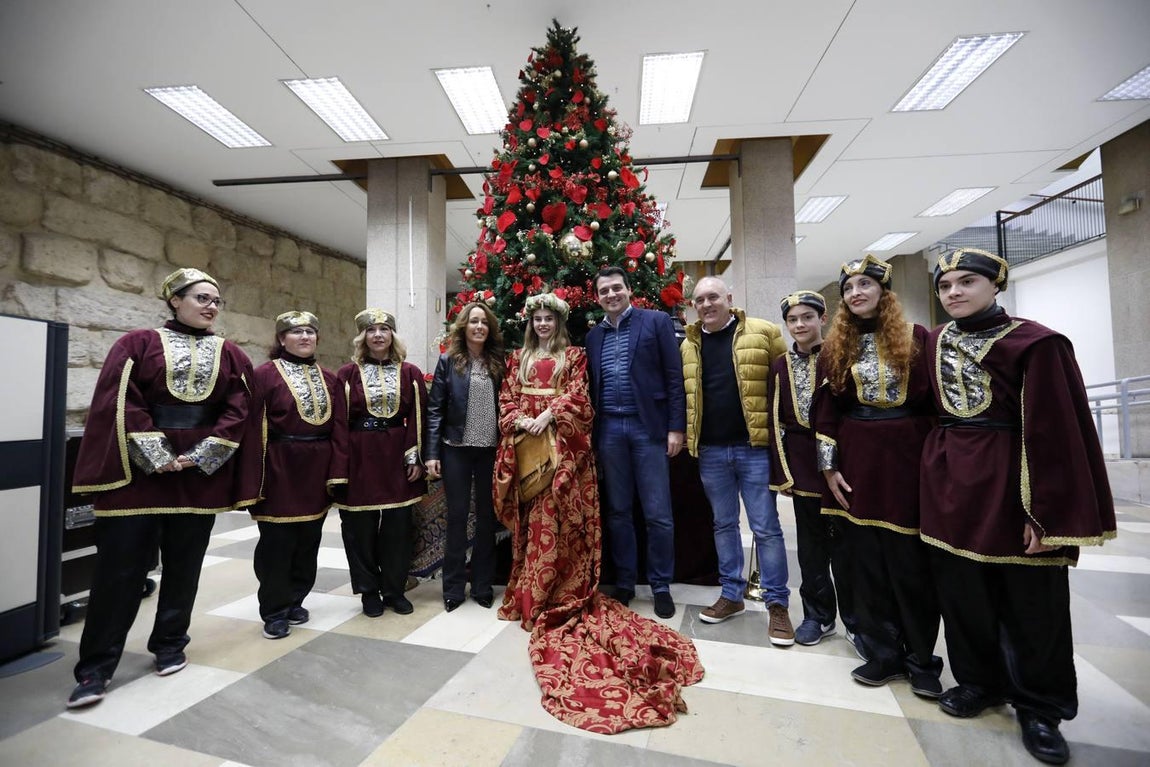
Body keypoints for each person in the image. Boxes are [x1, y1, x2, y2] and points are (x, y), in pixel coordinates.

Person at [922, 248, 1116, 765]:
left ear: (995, 285)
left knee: (1032, 603)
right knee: (962, 593)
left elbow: (1056, 434)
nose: (955, 293)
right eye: (945, 287)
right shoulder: (937, 341)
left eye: (967, 282)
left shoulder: (1037, 343)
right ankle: (979, 682)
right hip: (950, 484)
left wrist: (1048, 516)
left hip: (1014, 483)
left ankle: (1040, 706)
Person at [493, 292, 702, 734]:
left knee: (561, 524)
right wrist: (519, 422)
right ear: (531, 322)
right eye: (538, 318)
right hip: (526, 450)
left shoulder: (575, 354)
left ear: (559, 321)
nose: (544, 324)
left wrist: (548, 415)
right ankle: (532, 594)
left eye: (550, 318)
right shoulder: (518, 357)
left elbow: (579, 399)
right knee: (533, 528)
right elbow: (507, 398)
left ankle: (566, 587)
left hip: (562, 451)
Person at [67, 267, 259, 708]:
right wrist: (156, 454)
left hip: (198, 478)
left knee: (184, 568)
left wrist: (202, 454)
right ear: (175, 300)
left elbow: (239, 407)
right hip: (138, 480)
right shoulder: (136, 344)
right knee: (119, 574)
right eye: (201, 298)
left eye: (216, 300)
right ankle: (95, 669)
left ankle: (170, 644)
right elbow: (120, 399)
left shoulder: (231, 355)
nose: (211, 306)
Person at [812, 254, 942, 696]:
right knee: (865, 562)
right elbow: (826, 413)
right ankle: (882, 652)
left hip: (907, 457)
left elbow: (934, 405)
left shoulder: (916, 337)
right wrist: (829, 468)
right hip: (858, 458)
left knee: (911, 565)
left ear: (883, 292)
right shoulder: (835, 348)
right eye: (848, 289)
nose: (856, 293)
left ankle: (922, 657)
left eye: (865, 285)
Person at [680, 276, 794, 646]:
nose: (706, 304)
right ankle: (732, 595)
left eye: (713, 297)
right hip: (711, 450)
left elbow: (784, 386)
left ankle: (777, 605)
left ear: (729, 298)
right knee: (723, 524)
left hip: (753, 448)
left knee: (766, 527)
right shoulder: (689, 344)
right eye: (699, 300)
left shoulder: (763, 332)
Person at [584, 266, 685, 619]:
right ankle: (625, 582)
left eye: (616, 288)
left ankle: (660, 585)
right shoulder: (593, 336)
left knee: (658, 513)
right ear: (597, 297)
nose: (610, 295)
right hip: (609, 430)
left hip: (648, 429)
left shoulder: (655, 322)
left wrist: (676, 428)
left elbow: (674, 377)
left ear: (629, 290)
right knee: (618, 511)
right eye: (604, 291)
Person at [768, 291, 858, 648]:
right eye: (793, 320)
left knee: (847, 547)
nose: (800, 325)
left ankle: (855, 619)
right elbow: (775, 421)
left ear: (823, 319)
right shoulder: (779, 365)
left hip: (841, 466)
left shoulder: (842, 357)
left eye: (807, 317)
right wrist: (782, 473)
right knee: (810, 548)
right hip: (802, 464)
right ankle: (818, 616)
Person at [249, 311, 343, 640]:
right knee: (277, 542)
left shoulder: (330, 379)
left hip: (316, 467)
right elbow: (251, 427)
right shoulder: (264, 376)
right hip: (279, 467)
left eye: (310, 331)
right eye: (296, 332)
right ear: (281, 339)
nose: (305, 337)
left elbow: (339, 430)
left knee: (309, 539)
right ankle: (274, 609)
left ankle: (296, 598)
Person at [330, 309, 427, 618]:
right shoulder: (347, 373)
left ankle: (394, 589)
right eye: (371, 330)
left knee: (398, 528)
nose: (378, 335)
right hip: (360, 455)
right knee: (360, 529)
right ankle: (369, 591)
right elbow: (339, 423)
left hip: (397, 455)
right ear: (363, 337)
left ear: (392, 335)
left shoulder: (410, 372)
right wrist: (340, 466)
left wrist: (414, 455)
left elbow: (419, 417)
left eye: (384, 329)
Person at [424, 301, 504, 612]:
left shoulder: (498, 361)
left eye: (484, 322)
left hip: (489, 451)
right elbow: (435, 409)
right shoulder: (448, 361)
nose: (479, 327)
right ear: (464, 326)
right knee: (457, 518)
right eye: (473, 321)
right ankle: (454, 588)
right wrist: (431, 453)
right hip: (455, 449)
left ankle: (482, 586)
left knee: (487, 519)